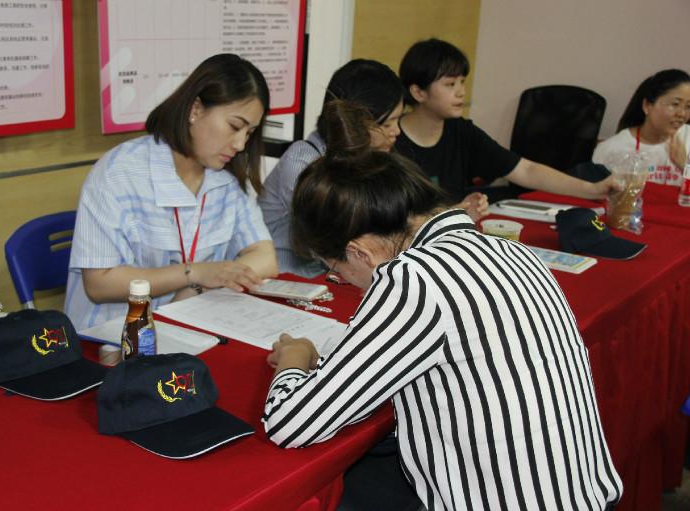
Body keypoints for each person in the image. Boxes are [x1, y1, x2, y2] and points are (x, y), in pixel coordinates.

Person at [262, 100, 622, 511]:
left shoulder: (413, 279)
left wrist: (295, 359)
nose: (345, 282)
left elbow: (293, 423)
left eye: (336, 271)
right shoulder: (513, 251)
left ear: (360, 252)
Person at [66, 54, 278, 330]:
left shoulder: (227, 178)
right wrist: (193, 274)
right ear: (195, 109)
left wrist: (196, 288)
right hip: (114, 336)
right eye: (235, 127)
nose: (240, 144)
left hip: (192, 327)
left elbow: (265, 258)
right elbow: (99, 284)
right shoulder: (119, 173)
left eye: (249, 133)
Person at [395, 38, 621, 209]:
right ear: (418, 92)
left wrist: (593, 189)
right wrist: (454, 212)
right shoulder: (391, 140)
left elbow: (526, 170)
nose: (461, 91)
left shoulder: (461, 131)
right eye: (450, 84)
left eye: (462, 82)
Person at [258, 59, 405, 276]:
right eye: (386, 124)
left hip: (335, 272)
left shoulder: (371, 158)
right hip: (284, 276)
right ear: (353, 120)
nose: (397, 131)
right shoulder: (303, 163)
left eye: (398, 120)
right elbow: (339, 238)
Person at [593, 69, 690, 185]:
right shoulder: (611, 149)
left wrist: (684, 165)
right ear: (647, 105)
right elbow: (594, 192)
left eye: (688, 106)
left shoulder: (687, 137)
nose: (682, 114)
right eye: (675, 104)